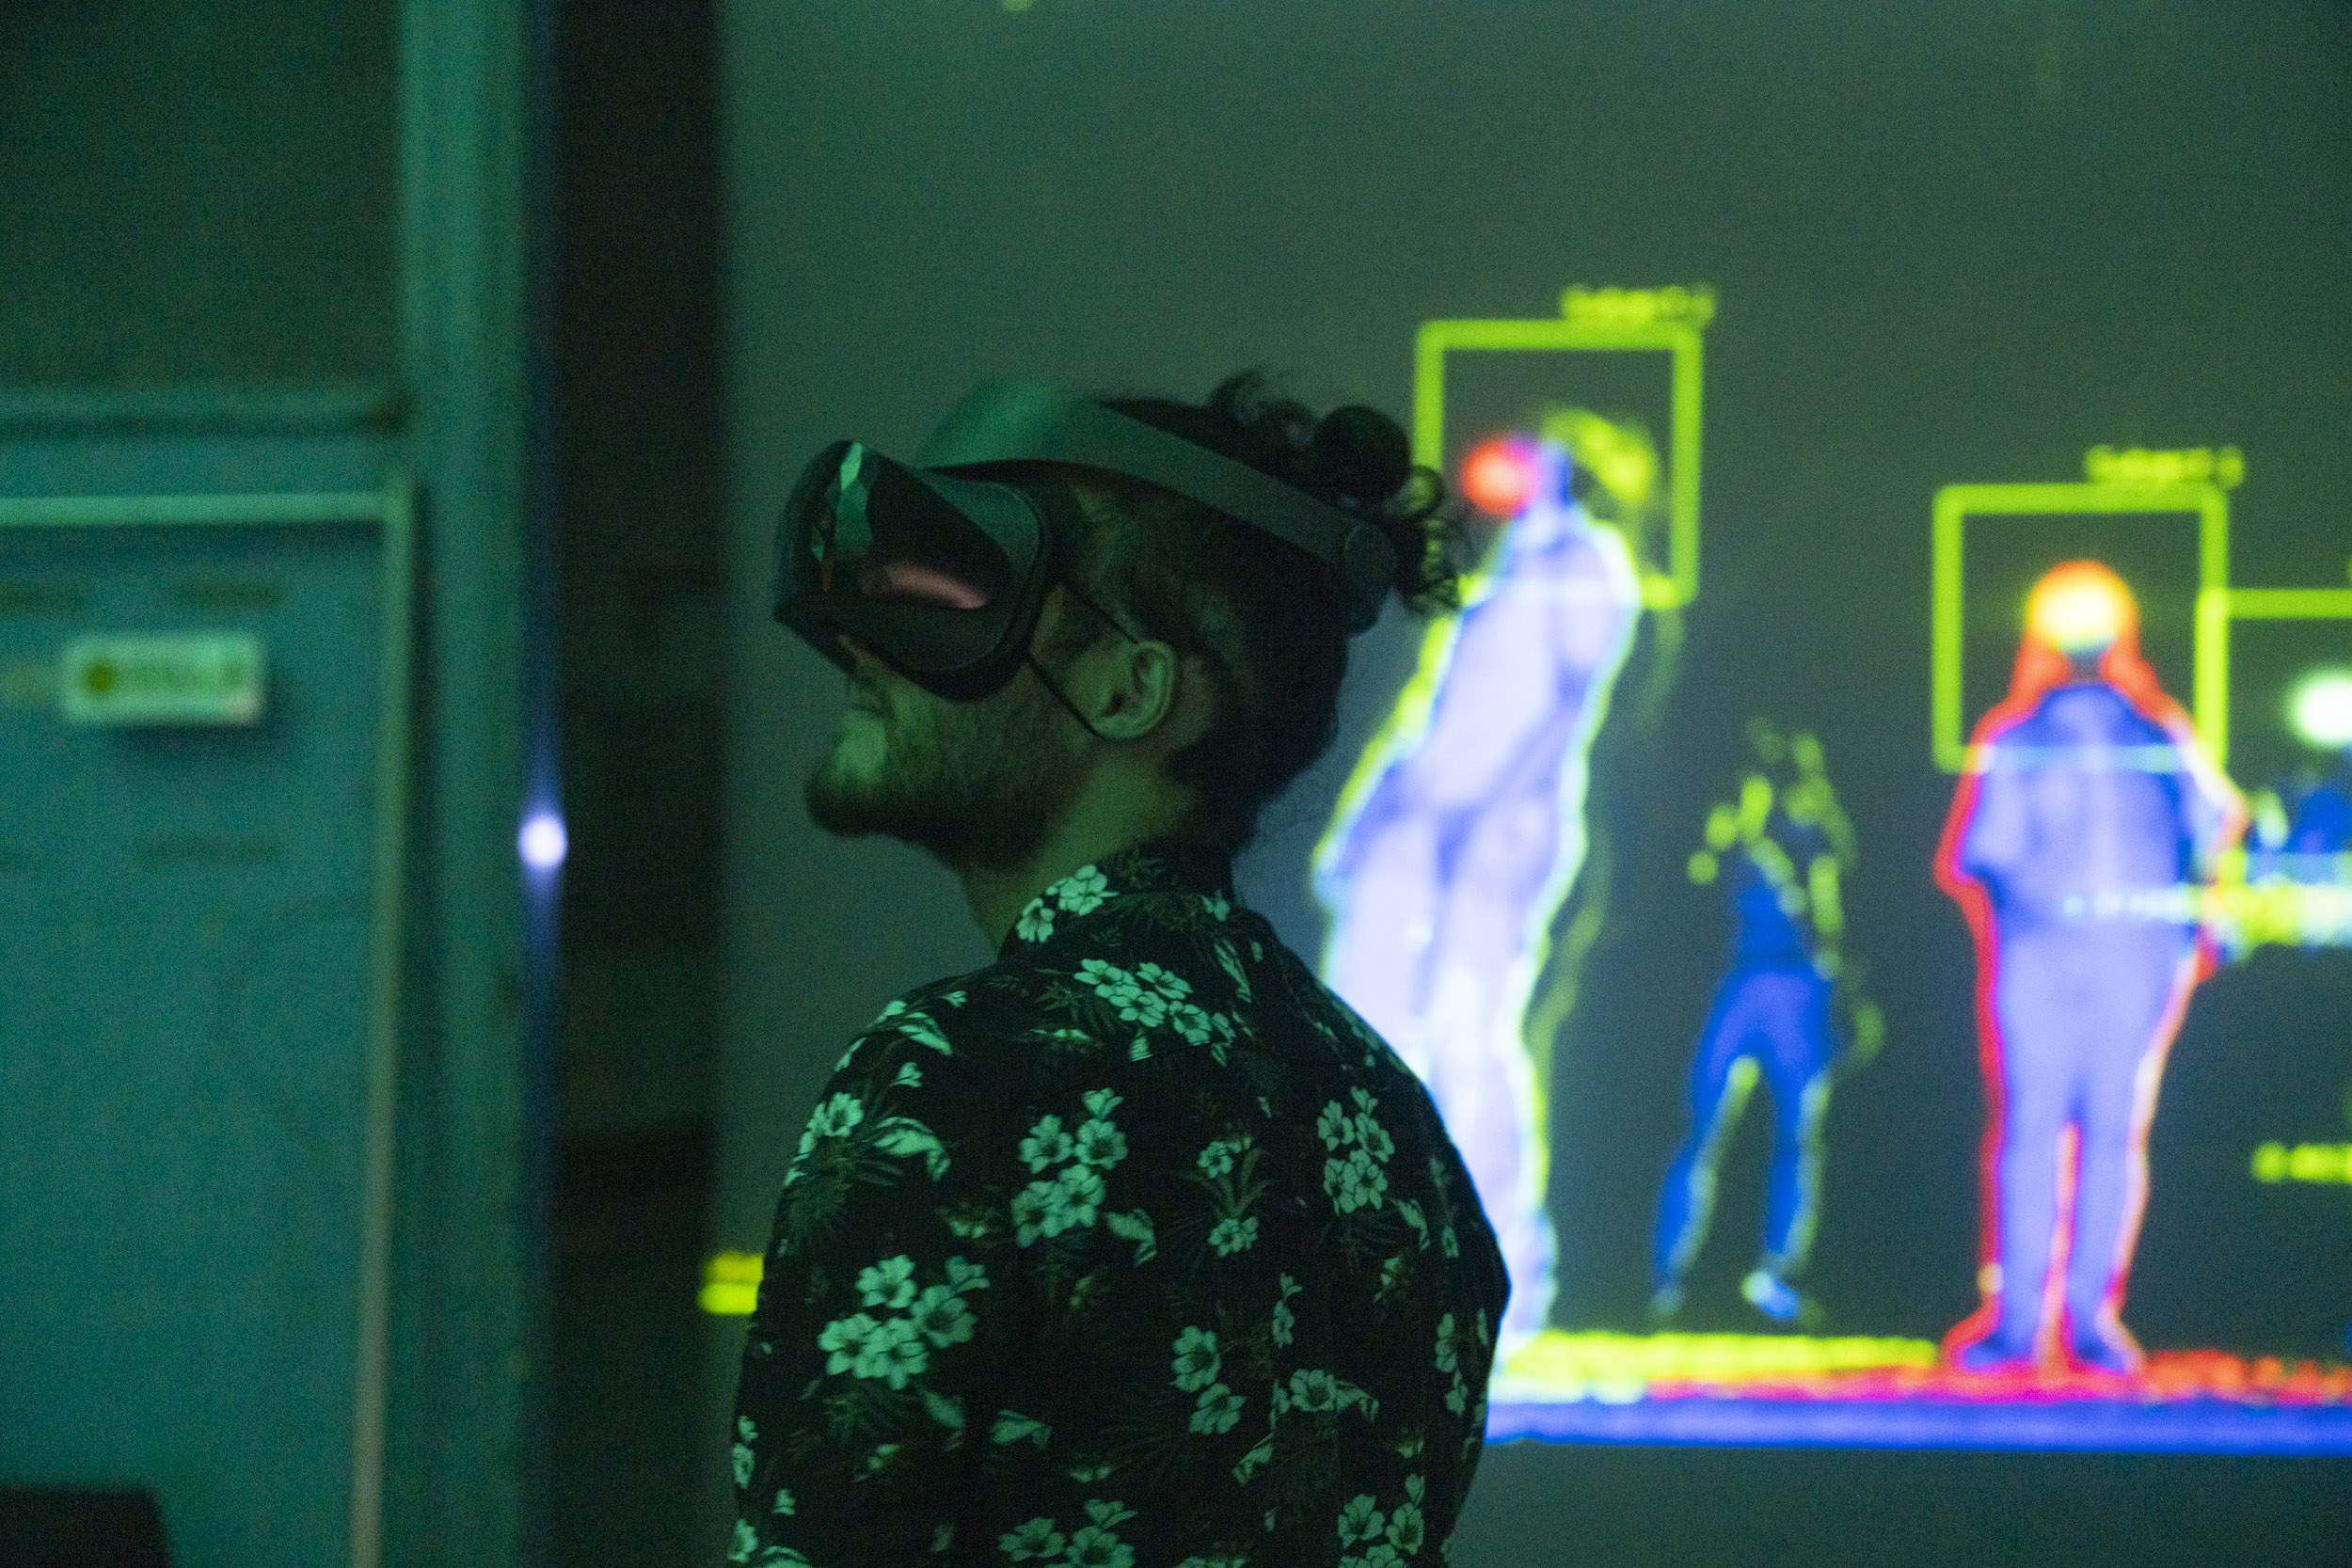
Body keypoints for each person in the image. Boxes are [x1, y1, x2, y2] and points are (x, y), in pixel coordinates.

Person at [734, 373, 1510, 1567]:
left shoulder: (957, 1081)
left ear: (1130, 688)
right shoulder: (1396, 1127)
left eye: (974, 585)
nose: (864, 635)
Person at [1312, 434, 1643, 1352]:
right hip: (1425, 831)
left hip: (1491, 838)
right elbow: (1434, 712)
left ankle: (1506, 1277)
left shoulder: (1580, 568)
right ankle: (1381, 1266)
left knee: (1469, 1037)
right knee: (1373, 1037)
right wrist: (1368, 827)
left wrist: (1443, 816)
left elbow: (1528, 711)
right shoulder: (1509, 576)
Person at [1937, 561, 2244, 1375]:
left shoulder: (2139, 734)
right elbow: (2213, 824)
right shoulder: (2050, 736)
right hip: (2079, 952)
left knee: (2075, 1130)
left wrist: (2193, 910)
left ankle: (2067, 1320)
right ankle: (2044, 1320)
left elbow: (1985, 857)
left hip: (2097, 952)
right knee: (2081, 1131)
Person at [1650, 720, 1881, 1325]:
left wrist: (1838, 986)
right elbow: (1698, 873)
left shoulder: (1810, 819)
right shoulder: (1738, 817)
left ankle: (1777, 1275)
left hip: (1799, 978)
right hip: (1745, 974)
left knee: (1797, 1136)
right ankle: (1667, 1277)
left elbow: (1830, 891)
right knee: (1702, 1127)